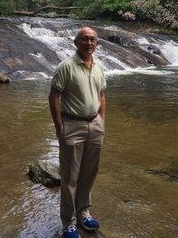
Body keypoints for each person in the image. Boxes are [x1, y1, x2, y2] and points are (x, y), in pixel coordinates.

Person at [49, 27, 107, 238]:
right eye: (84, 39)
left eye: (92, 39)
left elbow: (101, 95)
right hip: (72, 126)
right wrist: (59, 127)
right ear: (76, 43)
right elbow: (54, 96)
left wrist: (101, 120)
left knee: (90, 172)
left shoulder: (99, 66)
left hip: (95, 126)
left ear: (97, 44)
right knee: (70, 176)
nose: (89, 43)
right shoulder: (66, 67)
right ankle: (69, 222)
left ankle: (84, 212)